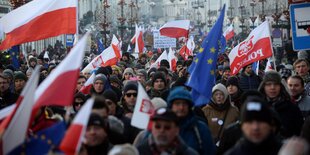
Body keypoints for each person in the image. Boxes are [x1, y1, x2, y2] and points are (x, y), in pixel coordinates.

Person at [167, 86, 215, 155]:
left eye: (184, 104)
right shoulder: (161, 126)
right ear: (171, 105)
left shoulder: (200, 128)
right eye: (177, 103)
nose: (181, 107)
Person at [258, 70, 304, 138]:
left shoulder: (291, 107)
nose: (272, 87)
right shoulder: (257, 107)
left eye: (276, 84)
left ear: (281, 86)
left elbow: (299, 131)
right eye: (269, 84)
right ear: (263, 86)